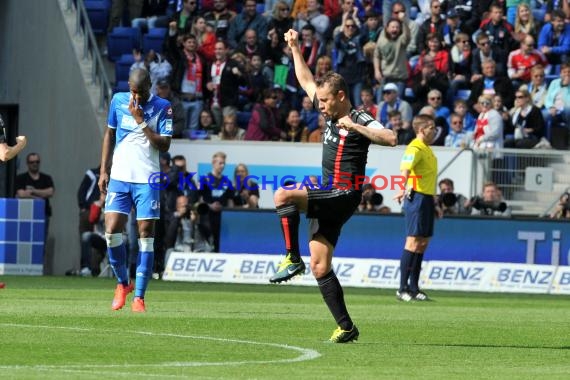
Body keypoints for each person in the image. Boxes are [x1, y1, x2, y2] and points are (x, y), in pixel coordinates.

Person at [269, 28, 397, 343]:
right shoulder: (327, 112)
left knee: (283, 194)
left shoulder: (360, 117)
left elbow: (391, 138)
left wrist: (355, 126)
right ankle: (347, 327)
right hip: (333, 194)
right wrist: (295, 48)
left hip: (345, 191)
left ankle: (290, 257)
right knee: (320, 264)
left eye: (326, 101)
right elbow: (306, 80)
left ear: (341, 96)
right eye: (320, 101)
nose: (320, 105)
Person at [99, 69, 172, 313]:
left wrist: (141, 121)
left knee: (145, 236)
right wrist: (103, 170)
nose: (136, 95)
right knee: (111, 231)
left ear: (150, 85)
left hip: (146, 180)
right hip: (119, 177)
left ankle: (139, 297)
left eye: (140, 91)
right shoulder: (119, 100)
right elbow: (109, 134)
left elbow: (164, 144)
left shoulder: (163, 106)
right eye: (132, 90)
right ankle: (122, 284)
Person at [394, 114, 438, 302]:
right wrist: (400, 189)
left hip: (427, 198)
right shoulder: (415, 147)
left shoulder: (427, 149)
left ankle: (414, 288)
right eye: (432, 128)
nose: (434, 131)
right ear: (422, 129)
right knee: (412, 241)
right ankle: (402, 288)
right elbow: (405, 168)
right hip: (417, 198)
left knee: (422, 243)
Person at [15, 152, 55, 273]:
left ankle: (38, 269)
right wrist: (39, 196)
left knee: (40, 242)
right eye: (32, 162)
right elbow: (21, 194)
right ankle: (23, 268)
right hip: (24, 216)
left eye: (37, 162)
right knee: (24, 242)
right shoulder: (21, 178)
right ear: (27, 164)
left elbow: (50, 192)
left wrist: (32, 191)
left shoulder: (46, 178)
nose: (35, 164)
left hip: (43, 215)